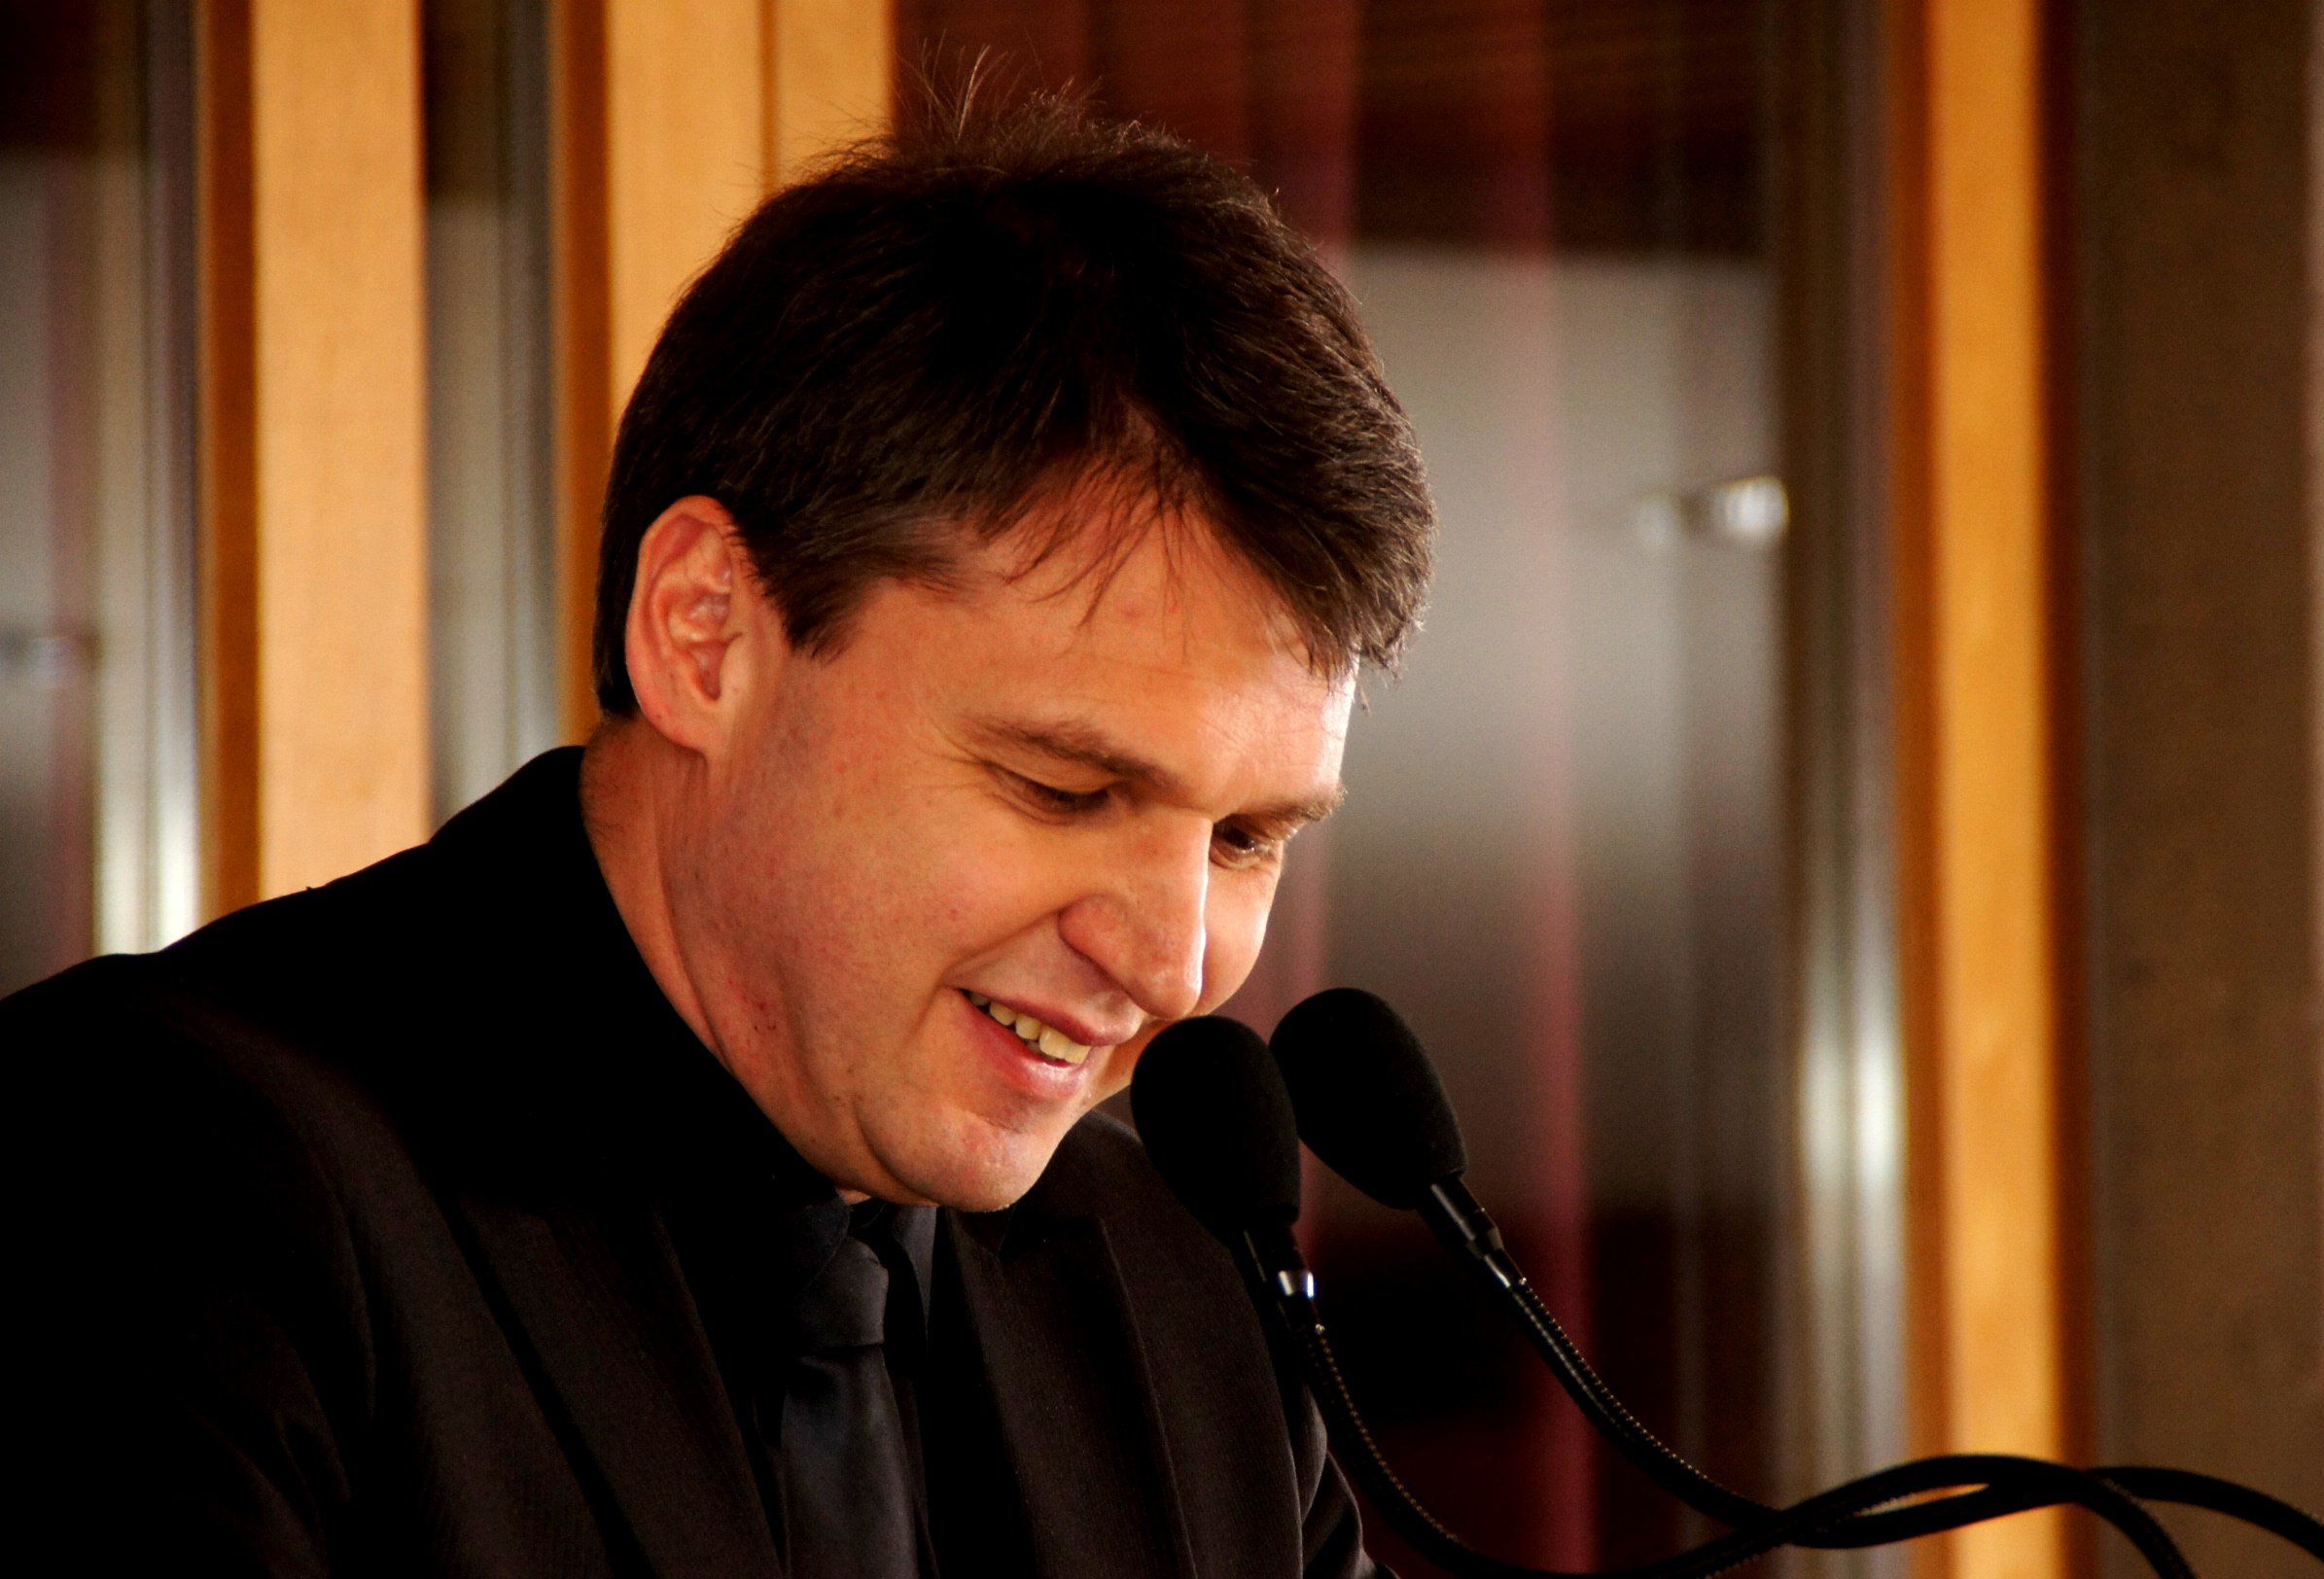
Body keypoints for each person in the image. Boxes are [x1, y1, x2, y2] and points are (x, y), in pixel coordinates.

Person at [12, 91, 1433, 1576]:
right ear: (704, 636)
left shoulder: (1187, 1303)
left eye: (1247, 839)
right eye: (1063, 790)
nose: (1171, 962)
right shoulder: (154, 1176)